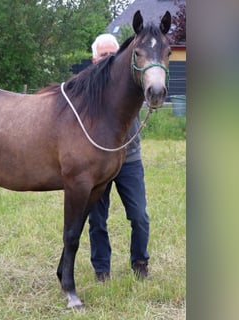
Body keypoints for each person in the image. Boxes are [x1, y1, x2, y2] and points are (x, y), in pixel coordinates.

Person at [88, 34, 150, 282]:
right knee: (97, 219)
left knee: (139, 215)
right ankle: (102, 269)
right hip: (97, 161)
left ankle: (140, 261)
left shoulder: (131, 83)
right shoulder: (89, 88)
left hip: (129, 158)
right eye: (104, 55)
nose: (110, 59)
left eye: (114, 53)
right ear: (94, 59)